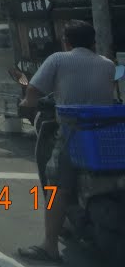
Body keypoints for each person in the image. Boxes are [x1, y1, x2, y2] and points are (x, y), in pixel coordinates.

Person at [17, 20, 116, 264]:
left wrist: (26, 104)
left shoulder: (58, 59)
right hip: (106, 134)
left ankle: (49, 246)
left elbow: (33, 90)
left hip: (73, 133)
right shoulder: (108, 64)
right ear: (93, 42)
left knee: (55, 187)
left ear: (66, 41)